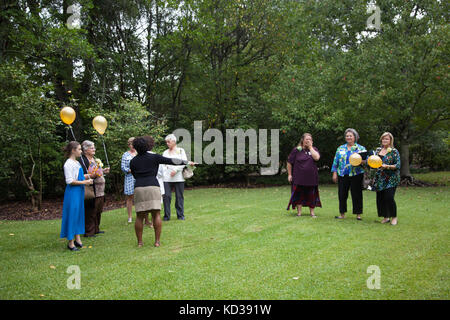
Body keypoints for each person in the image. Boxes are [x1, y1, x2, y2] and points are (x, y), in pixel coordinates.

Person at [130, 136, 196, 247]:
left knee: (139, 216)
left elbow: (135, 175)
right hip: (153, 186)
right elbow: (171, 161)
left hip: (139, 188)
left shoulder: (133, 161)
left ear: (135, 147)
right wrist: (186, 162)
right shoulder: (154, 157)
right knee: (156, 214)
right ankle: (157, 242)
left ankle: (140, 242)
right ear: (147, 146)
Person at [61, 141, 93, 251]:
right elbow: (70, 180)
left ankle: (78, 239)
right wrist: (85, 183)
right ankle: (70, 242)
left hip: (79, 192)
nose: (81, 151)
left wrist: (87, 176)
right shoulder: (68, 163)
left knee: (79, 214)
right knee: (72, 215)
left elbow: (78, 176)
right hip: (72, 193)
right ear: (73, 150)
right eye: (79, 149)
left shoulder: (77, 163)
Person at [331, 128, 367, 220]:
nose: (348, 137)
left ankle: (358, 214)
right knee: (342, 194)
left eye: (350, 136)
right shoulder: (340, 148)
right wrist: (334, 173)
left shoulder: (361, 148)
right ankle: (342, 214)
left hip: (356, 174)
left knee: (357, 194)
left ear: (355, 137)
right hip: (343, 174)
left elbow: (367, 161)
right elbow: (335, 162)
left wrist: (362, 161)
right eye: (347, 136)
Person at [287, 133, 322, 218]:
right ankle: (299, 213)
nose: (308, 140)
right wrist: (289, 174)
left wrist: (310, 148)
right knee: (299, 195)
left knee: (312, 196)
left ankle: (312, 213)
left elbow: (317, 158)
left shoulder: (314, 149)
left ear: (312, 141)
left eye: (310, 139)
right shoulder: (297, 150)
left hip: (312, 178)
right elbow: (289, 163)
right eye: (306, 139)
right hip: (299, 178)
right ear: (302, 140)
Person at [80, 140, 110, 237]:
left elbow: (98, 172)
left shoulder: (95, 159)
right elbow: (81, 175)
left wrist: (103, 171)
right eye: (92, 148)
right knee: (90, 210)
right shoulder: (83, 161)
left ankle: (96, 229)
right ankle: (89, 231)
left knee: (98, 210)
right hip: (91, 189)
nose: (94, 149)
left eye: (94, 147)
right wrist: (91, 176)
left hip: (100, 190)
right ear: (85, 150)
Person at [372, 132, 401, 225]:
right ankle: (385, 217)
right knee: (381, 198)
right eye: (383, 139)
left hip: (391, 178)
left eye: (387, 139)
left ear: (390, 140)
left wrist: (387, 166)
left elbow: (398, 165)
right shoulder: (377, 150)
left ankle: (394, 217)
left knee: (389, 197)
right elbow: (374, 161)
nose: (384, 140)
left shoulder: (394, 151)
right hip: (380, 178)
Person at [161, 134, 188, 221]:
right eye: (166, 142)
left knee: (179, 196)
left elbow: (184, 162)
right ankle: (166, 216)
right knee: (167, 197)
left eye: (169, 142)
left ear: (174, 141)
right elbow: (162, 164)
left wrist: (176, 170)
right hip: (167, 178)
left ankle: (180, 215)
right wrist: (166, 171)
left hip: (179, 177)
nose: (167, 144)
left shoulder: (181, 151)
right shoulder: (165, 152)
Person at [121, 137, 137, 223]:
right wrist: (130, 170)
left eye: (134, 144)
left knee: (139, 196)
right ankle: (130, 217)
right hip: (129, 177)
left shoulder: (139, 153)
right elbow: (123, 167)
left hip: (138, 177)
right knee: (129, 197)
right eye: (131, 144)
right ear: (129, 145)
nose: (133, 146)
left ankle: (140, 214)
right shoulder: (125, 155)